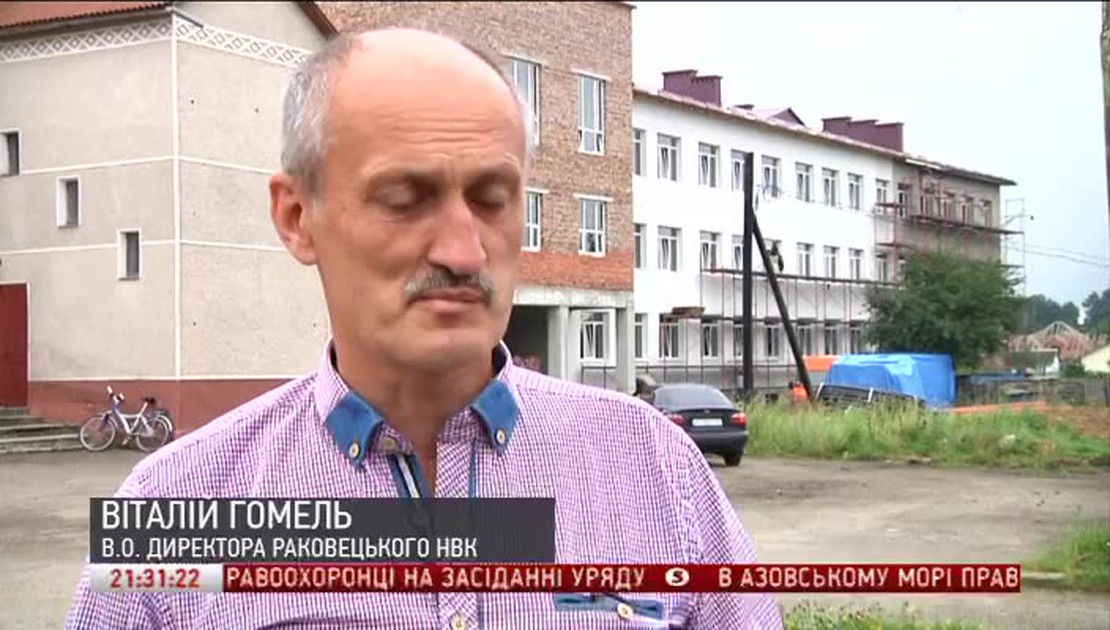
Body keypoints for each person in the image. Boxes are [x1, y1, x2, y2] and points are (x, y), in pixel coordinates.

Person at [66, 29, 782, 629]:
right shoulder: (177, 509)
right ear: (297, 217)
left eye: (493, 200)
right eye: (405, 199)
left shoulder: (655, 470)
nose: (464, 252)